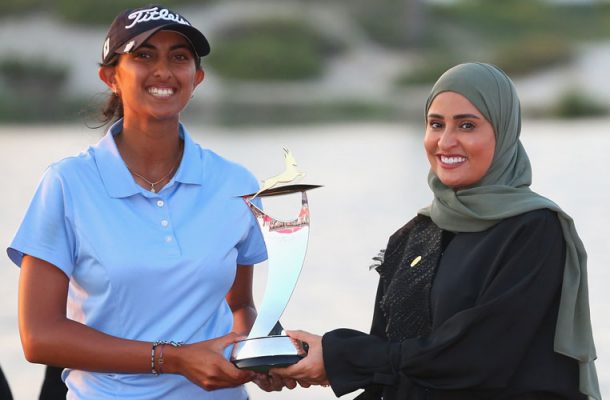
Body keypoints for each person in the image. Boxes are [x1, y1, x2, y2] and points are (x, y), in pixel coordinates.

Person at [272, 63, 601, 399]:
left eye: (467, 125)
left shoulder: (534, 231)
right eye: (435, 124)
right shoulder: (413, 235)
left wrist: (338, 356)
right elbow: (387, 369)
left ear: (503, 133)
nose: (446, 141)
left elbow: (477, 357)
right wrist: (305, 361)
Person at [6, 5, 281, 399]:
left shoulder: (235, 183)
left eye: (179, 57)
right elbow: (39, 337)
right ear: (110, 76)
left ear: (197, 77)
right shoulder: (68, 183)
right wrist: (174, 358)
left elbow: (241, 306)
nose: (164, 71)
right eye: (144, 55)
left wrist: (254, 352)